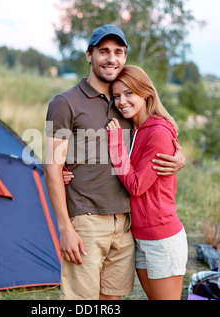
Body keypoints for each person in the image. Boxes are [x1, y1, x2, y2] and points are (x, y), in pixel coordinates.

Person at [44, 25, 185, 300]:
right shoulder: (65, 103)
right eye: (103, 51)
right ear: (89, 55)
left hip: (126, 224)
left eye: (118, 52)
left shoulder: (126, 102)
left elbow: (156, 134)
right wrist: (64, 228)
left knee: (112, 299)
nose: (111, 58)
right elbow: (51, 167)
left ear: (125, 56)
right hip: (86, 221)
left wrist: (179, 156)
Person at [106, 65, 188, 300]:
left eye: (129, 93)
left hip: (162, 237)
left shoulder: (157, 132)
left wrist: (116, 145)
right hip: (141, 236)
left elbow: (135, 185)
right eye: (117, 96)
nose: (122, 101)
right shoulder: (136, 130)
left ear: (146, 93)